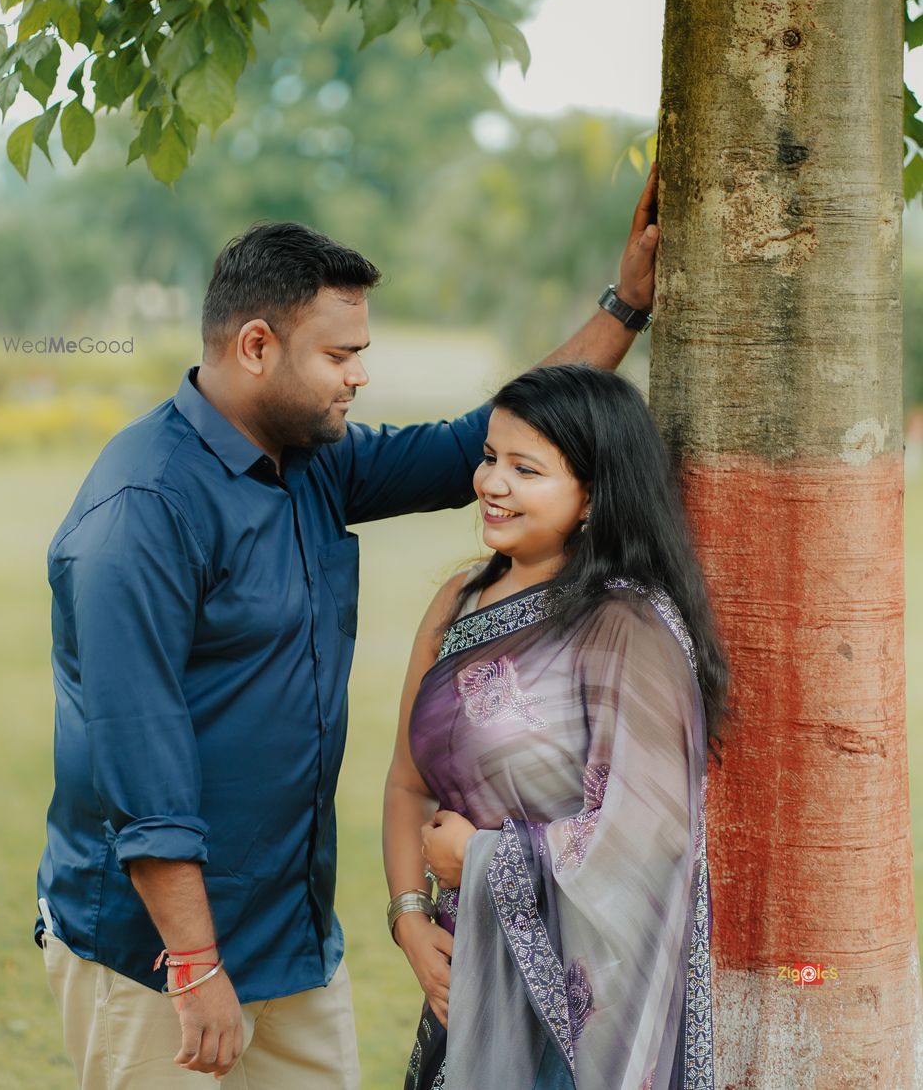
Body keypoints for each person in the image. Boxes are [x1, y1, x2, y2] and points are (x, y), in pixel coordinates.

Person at [36, 170, 658, 1090]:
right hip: (156, 959)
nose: (361, 374)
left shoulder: (317, 462)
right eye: (341, 355)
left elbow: (472, 444)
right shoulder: (143, 510)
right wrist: (195, 963)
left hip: (291, 939)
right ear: (256, 346)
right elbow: (137, 763)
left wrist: (625, 309)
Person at [383, 361, 730, 1090]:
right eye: (488, 457)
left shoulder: (626, 625)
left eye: (525, 468)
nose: (490, 483)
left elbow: (649, 839)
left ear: (592, 496)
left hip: (580, 1009)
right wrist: (412, 919)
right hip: (459, 967)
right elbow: (408, 783)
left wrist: (482, 859)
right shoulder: (461, 600)